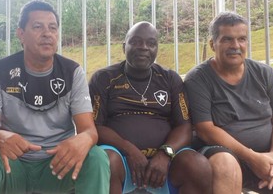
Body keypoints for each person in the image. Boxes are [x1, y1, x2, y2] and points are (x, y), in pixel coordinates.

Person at [0, 0, 110, 194]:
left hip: (57, 165)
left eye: (53, 28)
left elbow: (89, 131)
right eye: (37, 26)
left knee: (96, 157)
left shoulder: (72, 72)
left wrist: (85, 139)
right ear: (21, 34)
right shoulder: (0, 71)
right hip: (13, 165)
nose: (47, 33)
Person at [89, 21, 212, 194]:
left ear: (157, 49)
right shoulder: (103, 78)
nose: (143, 47)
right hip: (121, 160)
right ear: (124, 47)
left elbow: (184, 126)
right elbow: (95, 126)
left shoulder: (170, 79)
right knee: (106, 161)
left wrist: (165, 154)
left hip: (165, 163)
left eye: (151, 43)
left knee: (197, 165)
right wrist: (129, 150)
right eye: (136, 42)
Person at [184, 11, 273, 194]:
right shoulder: (198, 79)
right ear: (213, 44)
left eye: (242, 39)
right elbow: (205, 129)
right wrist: (252, 158)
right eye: (227, 39)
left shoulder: (264, 73)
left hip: (268, 155)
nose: (235, 45)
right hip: (224, 154)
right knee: (225, 163)